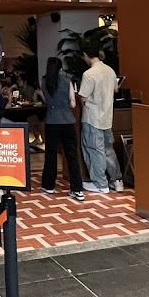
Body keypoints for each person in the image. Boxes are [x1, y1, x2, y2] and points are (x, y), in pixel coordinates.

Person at [78, 48, 123, 192]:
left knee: (94, 150)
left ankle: (100, 184)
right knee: (108, 150)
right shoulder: (110, 71)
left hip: (92, 118)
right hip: (107, 117)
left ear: (86, 55)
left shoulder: (88, 74)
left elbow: (83, 97)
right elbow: (116, 89)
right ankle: (116, 180)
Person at [40, 57, 84, 201]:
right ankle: (77, 189)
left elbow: (47, 100)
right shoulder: (68, 81)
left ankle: (48, 185)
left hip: (52, 121)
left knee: (51, 154)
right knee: (72, 155)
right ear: (60, 68)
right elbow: (72, 103)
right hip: (68, 122)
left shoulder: (44, 82)